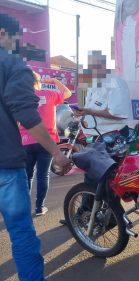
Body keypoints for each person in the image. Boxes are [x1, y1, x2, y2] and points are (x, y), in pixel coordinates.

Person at [0, 13, 72, 281]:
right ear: (3, 34)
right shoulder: (11, 65)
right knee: (20, 232)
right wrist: (57, 153)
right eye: (15, 39)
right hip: (5, 165)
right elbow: (27, 116)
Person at [59, 51, 132, 226]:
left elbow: (119, 114)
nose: (91, 70)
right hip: (97, 138)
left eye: (94, 66)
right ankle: (90, 217)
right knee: (94, 179)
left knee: (100, 179)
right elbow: (93, 109)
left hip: (113, 138)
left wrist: (89, 112)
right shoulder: (95, 84)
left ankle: (99, 218)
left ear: (104, 66)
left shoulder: (116, 83)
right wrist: (82, 114)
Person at [19, 72, 72, 216]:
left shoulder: (21, 98)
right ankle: (39, 208)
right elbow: (67, 93)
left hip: (26, 141)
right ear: (39, 82)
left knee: (27, 176)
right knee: (43, 175)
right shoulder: (50, 94)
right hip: (47, 141)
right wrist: (55, 80)